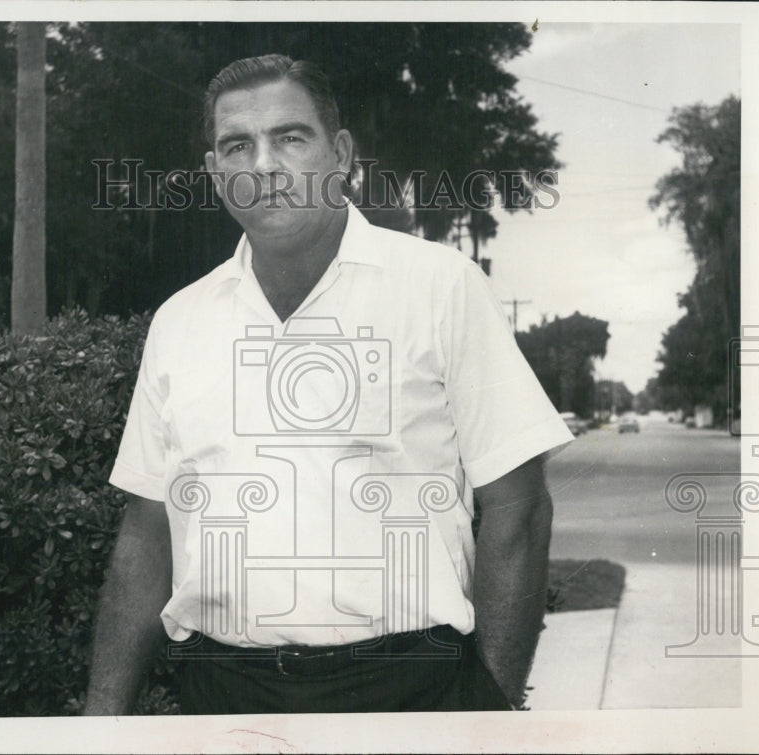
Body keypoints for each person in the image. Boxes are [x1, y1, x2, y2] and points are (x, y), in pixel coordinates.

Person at [83, 53, 573, 716]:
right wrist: (99, 726)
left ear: (339, 154)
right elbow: (146, 532)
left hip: (410, 691)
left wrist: (490, 710)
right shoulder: (180, 321)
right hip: (223, 696)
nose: (263, 165)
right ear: (215, 174)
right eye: (237, 146)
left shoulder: (440, 286)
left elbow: (520, 507)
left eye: (290, 137)